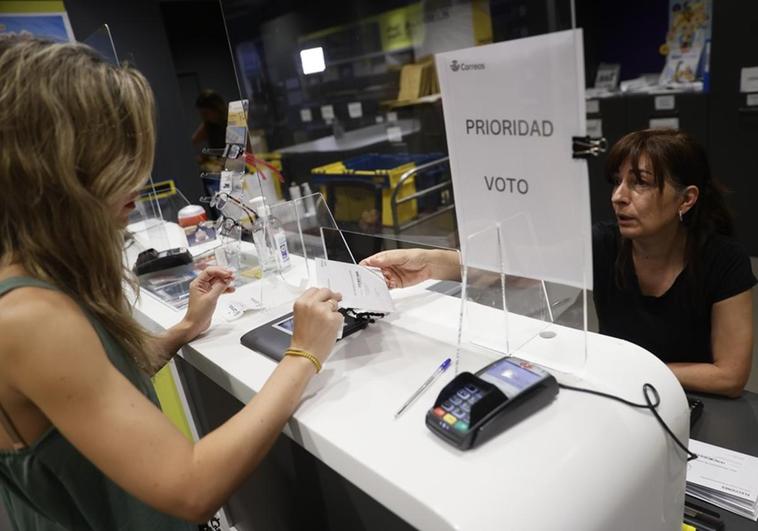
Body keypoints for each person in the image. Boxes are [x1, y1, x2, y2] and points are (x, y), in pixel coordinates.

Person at [0, 36, 343, 530]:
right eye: (116, 158)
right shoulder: (31, 317)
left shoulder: (31, 280)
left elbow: (85, 392)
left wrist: (183, 329)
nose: (139, 183)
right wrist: (304, 353)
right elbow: (190, 486)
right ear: (52, 171)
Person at [362, 129, 756, 398]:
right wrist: (429, 262)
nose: (619, 196)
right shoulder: (605, 243)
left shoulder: (725, 262)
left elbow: (730, 376)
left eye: (640, 182)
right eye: (617, 181)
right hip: (618, 392)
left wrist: (627, 369)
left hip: (681, 398)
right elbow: (509, 270)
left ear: (686, 199)